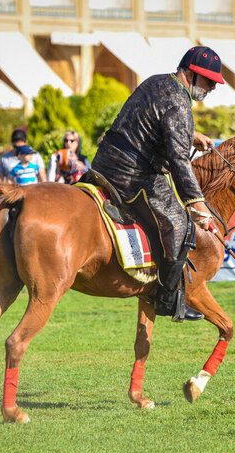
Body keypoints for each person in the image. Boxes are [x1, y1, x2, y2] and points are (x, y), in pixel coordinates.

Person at [89, 45, 224, 323]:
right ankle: (167, 299)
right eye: (209, 80)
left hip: (104, 162)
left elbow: (151, 122)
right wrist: (196, 202)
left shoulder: (157, 81)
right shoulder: (179, 103)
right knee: (181, 225)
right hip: (134, 174)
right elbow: (178, 160)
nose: (212, 87)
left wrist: (191, 135)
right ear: (191, 74)